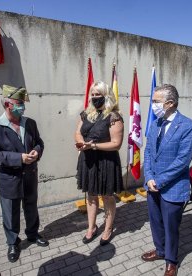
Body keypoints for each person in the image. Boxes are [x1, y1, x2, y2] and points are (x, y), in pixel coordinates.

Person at [0, 85, 48, 263]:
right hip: (9, 179)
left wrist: (36, 151)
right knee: (10, 212)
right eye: (19, 103)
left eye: (23, 103)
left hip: (29, 176)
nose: (22, 107)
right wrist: (19, 158)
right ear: (8, 104)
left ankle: (33, 234)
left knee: (31, 208)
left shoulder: (30, 123)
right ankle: (13, 242)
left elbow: (39, 142)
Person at [141, 84, 192, 276]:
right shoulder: (155, 123)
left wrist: (159, 180)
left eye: (156, 101)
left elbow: (183, 160)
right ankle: (160, 250)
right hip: (152, 185)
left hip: (173, 187)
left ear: (170, 103)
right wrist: (149, 177)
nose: (153, 105)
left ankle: (171, 260)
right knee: (156, 222)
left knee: (171, 227)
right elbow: (148, 153)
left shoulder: (188, 126)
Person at [74, 81, 124, 246]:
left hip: (106, 162)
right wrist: (81, 142)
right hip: (88, 161)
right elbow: (77, 132)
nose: (95, 97)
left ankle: (108, 229)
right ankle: (91, 227)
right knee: (91, 195)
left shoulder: (114, 116)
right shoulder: (86, 113)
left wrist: (93, 145)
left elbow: (116, 143)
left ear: (106, 95)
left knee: (107, 197)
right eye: (93, 94)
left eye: (98, 94)